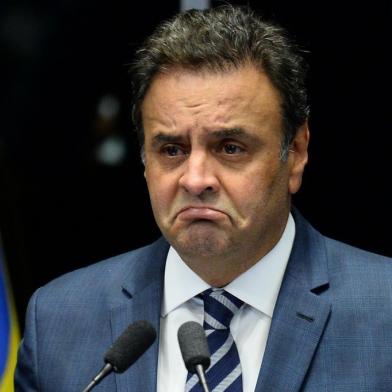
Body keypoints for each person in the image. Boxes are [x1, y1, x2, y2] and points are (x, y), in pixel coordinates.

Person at [15, 5, 392, 392]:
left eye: (230, 148)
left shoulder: (384, 310)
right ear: (144, 160)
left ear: (295, 152)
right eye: (172, 150)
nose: (195, 180)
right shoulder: (59, 320)